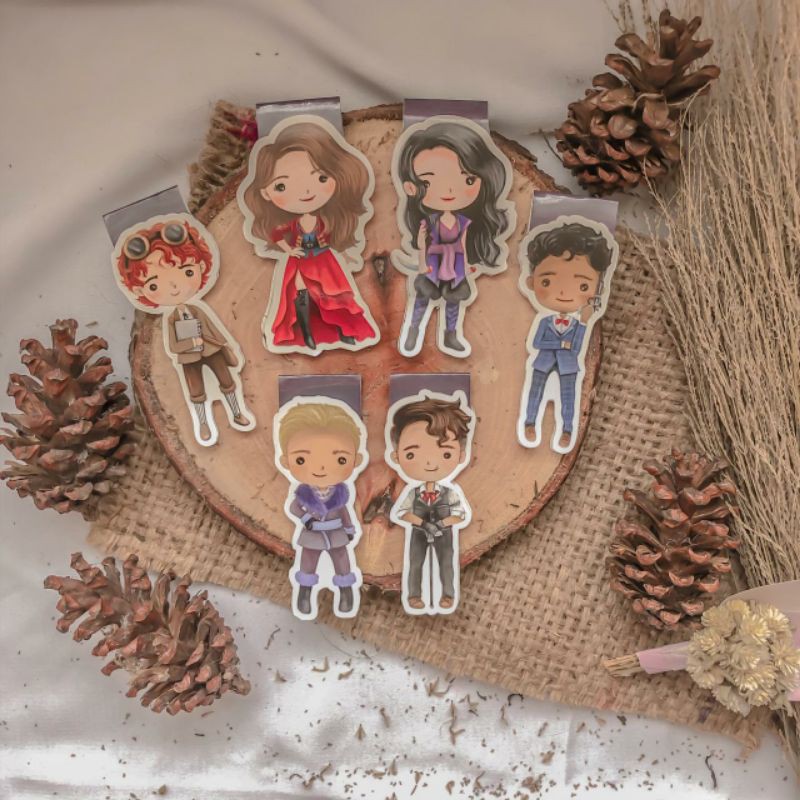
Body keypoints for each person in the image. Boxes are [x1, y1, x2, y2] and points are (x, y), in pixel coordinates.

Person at [239, 120, 378, 352]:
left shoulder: (326, 220)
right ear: (265, 193)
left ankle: (344, 331)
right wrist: (289, 250)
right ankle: (306, 333)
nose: (305, 192)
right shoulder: (292, 224)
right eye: (281, 186)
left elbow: (339, 236)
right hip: (301, 260)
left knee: (333, 295)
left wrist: (346, 254)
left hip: (324, 260)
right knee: (300, 292)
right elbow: (276, 234)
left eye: (321, 178)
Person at [114, 217, 252, 444]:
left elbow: (215, 331)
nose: (174, 287)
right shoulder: (171, 319)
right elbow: (174, 345)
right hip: (189, 359)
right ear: (139, 290)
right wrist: (191, 345)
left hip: (213, 350)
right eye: (154, 285)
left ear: (201, 267)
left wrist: (227, 349)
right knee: (196, 392)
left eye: (187, 272)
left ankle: (237, 412)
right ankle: (203, 424)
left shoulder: (198, 310)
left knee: (227, 382)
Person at [392, 120, 514, 356]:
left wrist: (466, 266)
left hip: (455, 264)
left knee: (454, 300)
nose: (448, 191)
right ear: (411, 187)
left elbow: (462, 245)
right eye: (428, 182)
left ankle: (451, 335)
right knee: (423, 298)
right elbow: (422, 244)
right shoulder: (428, 222)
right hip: (433, 264)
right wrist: (422, 265)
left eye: (467, 179)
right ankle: (413, 330)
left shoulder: (464, 222)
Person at [520, 221, 614, 449]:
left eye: (582, 286)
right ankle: (529, 423)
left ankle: (567, 430)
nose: (563, 292)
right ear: (531, 282)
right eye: (547, 281)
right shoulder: (544, 321)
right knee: (534, 393)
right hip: (542, 361)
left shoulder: (579, 324)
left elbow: (577, 347)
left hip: (569, 365)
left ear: (598, 289)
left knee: (569, 398)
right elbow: (537, 342)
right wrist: (562, 344)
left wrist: (584, 322)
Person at [275, 401, 367, 619]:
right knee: (308, 562)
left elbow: (344, 512)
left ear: (356, 460)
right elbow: (294, 507)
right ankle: (304, 594)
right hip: (312, 534)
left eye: (340, 459)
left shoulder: (341, 494)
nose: (321, 468)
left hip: (336, 534)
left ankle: (346, 593)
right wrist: (307, 517)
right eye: (302, 459)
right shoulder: (303, 494)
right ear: (285, 461)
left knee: (342, 561)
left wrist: (349, 529)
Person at [387, 394, 473, 613]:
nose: (429, 462)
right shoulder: (413, 493)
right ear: (396, 456)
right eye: (412, 454)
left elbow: (459, 515)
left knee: (446, 563)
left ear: (461, 455)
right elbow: (403, 512)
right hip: (418, 533)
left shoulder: (450, 493)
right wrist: (423, 524)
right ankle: (414, 595)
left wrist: (441, 524)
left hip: (444, 534)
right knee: (416, 563)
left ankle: (448, 594)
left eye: (445, 453)